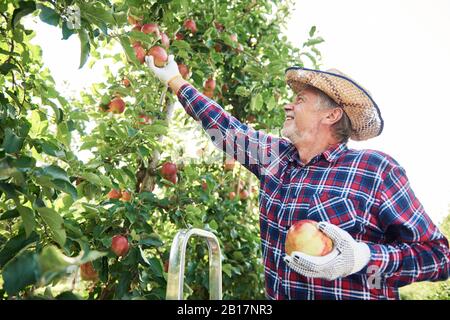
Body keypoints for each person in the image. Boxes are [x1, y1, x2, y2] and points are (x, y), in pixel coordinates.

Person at [146, 55, 450, 300]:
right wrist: (175, 80)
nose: (288, 104)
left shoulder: (374, 171)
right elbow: (225, 130)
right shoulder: (276, 159)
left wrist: (361, 257)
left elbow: (438, 257)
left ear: (331, 115)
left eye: (301, 99)